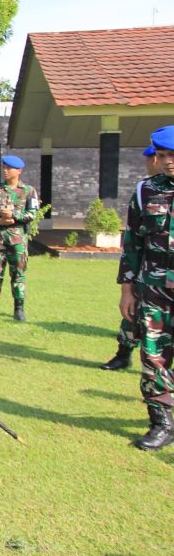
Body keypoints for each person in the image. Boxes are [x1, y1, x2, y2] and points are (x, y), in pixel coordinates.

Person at [118, 127, 174, 451]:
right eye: (162, 156)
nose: (167, 163)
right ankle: (162, 423)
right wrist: (127, 290)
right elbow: (131, 244)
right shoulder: (145, 191)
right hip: (152, 290)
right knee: (153, 356)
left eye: (172, 156)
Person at [102, 146, 161, 370]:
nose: (149, 164)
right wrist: (128, 282)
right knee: (133, 315)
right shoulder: (144, 192)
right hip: (147, 270)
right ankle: (123, 353)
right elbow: (132, 241)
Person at [0, 155, 39, 321]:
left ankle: (19, 308)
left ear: (19, 171)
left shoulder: (28, 191)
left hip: (17, 239)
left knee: (18, 274)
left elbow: (32, 213)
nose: (5, 171)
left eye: (9, 168)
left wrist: (14, 216)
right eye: (4, 167)